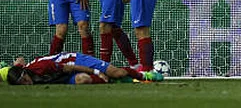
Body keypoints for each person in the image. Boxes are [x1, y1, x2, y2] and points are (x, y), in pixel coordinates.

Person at [6, 52, 162, 85]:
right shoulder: (21, 71)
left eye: (24, 80)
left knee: (116, 72)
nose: (26, 84)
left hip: (75, 60)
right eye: (22, 84)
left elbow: (70, 67)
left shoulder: (42, 67)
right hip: (62, 77)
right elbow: (19, 61)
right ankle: (117, 81)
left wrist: (96, 71)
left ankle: (143, 75)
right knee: (83, 80)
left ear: (25, 73)